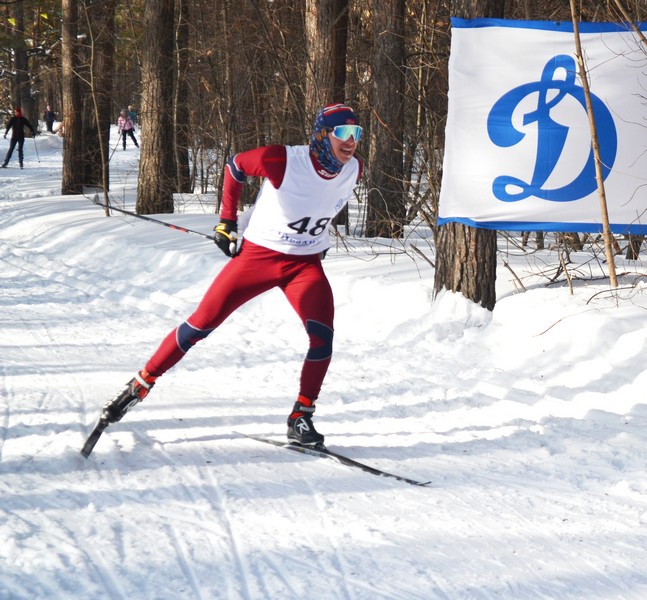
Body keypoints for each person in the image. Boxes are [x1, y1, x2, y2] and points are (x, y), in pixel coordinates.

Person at [98, 103, 363, 447]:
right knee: (200, 325)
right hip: (259, 258)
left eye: (356, 133)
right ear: (323, 135)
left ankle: (301, 416)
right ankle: (141, 382)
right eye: (343, 132)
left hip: (304, 265)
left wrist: (317, 239)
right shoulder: (283, 159)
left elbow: (321, 207)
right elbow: (236, 165)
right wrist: (227, 221)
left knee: (322, 337)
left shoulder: (352, 169)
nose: (351, 141)